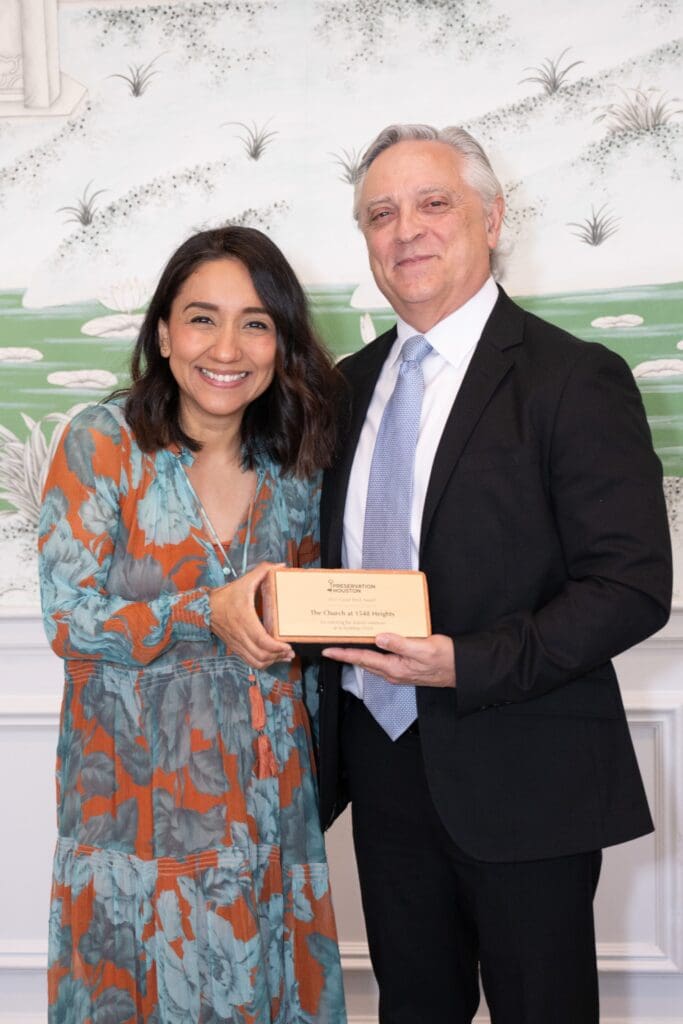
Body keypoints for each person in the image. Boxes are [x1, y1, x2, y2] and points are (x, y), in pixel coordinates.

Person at [318, 124, 672, 1024]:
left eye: (433, 203)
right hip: (382, 769)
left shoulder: (573, 377)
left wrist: (462, 662)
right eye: (380, 214)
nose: (407, 231)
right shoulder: (340, 390)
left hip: (527, 772)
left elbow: (630, 585)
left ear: (491, 216)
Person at [38, 226, 348, 1024]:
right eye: (202, 317)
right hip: (133, 811)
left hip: (266, 810)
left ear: (280, 342)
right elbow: (69, 618)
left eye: (255, 322)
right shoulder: (101, 443)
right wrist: (200, 613)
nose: (228, 346)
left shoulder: (295, 465)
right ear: (164, 334)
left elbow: (307, 618)